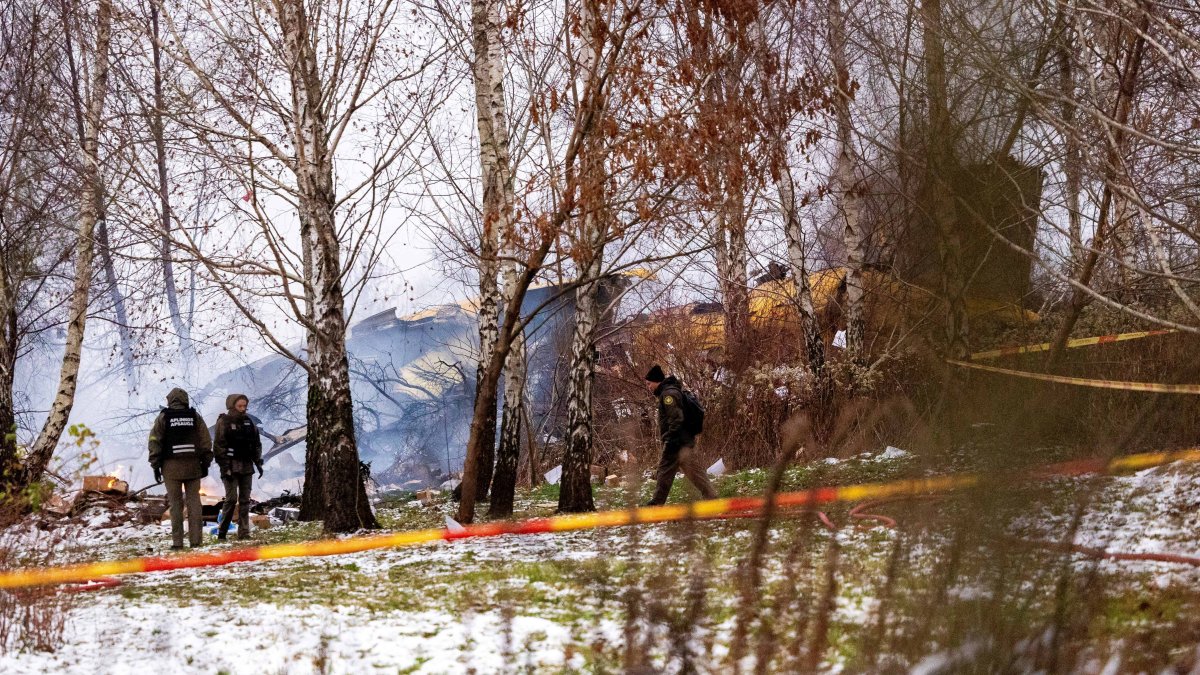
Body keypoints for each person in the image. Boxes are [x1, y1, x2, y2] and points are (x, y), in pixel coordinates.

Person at [148, 387, 213, 550]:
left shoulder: (163, 417)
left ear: (170, 400)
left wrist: (155, 465)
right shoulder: (194, 416)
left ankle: (178, 543)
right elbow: (205, 440)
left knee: (175, 505)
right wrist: (206, 462)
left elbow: (155, 440)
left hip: (171, 468)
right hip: (192, 466)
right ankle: (196, 541)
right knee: (194, 504)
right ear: (185, 400)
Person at [644, 365, 717, 505]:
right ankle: (711, 497)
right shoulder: (671, 391)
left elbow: (676, 418)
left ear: (656, 381)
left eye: (649, 383)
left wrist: (671, 439)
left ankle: (656, 503)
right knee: (695, 472)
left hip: (676, 441)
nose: (648, 387)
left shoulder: (668, 395)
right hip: (684, 440)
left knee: (664, 471)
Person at [213, 394, 263, 541]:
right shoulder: (224, 422)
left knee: (245, 500)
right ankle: (222, 532)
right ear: (232, 406)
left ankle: (244, 532)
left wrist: (258, 461)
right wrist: (224, 467)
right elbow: (218, 446)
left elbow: (256, 443)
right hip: (230, 466)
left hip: (247, 465)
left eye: (244, 406)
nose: (243, 409)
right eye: (239, 406)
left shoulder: (249, 421)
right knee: (231, 499)